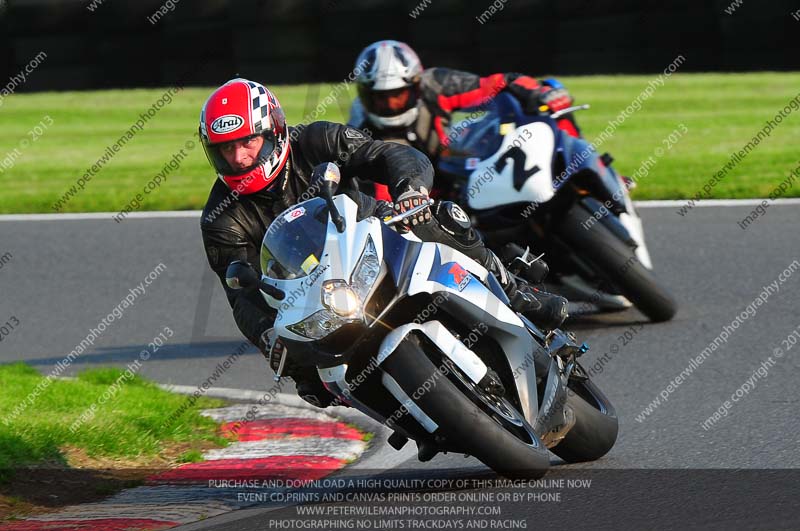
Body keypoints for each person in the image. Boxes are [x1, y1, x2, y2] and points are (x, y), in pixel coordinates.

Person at [199, 78, 567, 407]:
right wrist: (268, 336)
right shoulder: (221, 217)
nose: (238, 158)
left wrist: (410, 190)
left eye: (247, 142)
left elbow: (389, 154)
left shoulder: (315, 140)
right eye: (225, 150)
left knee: (440, 217)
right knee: (311, 379)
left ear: (274, 130)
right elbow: (241, 294)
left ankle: (516, 292)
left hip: (373, 231)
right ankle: (407, 414)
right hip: (314, 290)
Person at [348, 40, 582, 178]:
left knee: (551, 92)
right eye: (380, 97)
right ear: (365, 95)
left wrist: (536, 93)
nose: (390, 105)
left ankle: (579, 168)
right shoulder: (359, 129)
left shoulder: (438, 84)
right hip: (421, 200)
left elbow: (499, 83)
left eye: (397, 95)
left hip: (461, 169)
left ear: (415, 85)